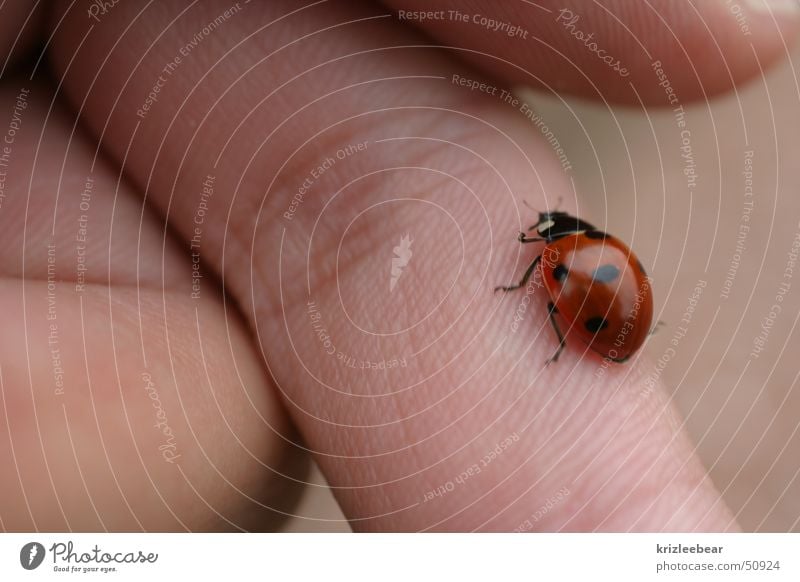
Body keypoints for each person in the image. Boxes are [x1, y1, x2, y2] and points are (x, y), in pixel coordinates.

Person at [0, 0, 797, 532]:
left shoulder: (559, 261)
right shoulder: (573, 258)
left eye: (543, 233)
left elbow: (548, 292)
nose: (535, 240)